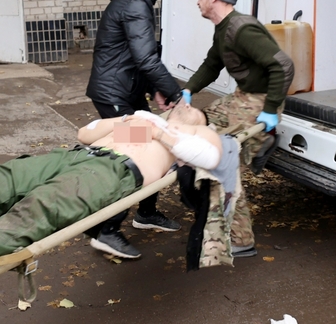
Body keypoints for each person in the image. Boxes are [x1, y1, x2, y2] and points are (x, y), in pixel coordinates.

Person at [0, 104, 230, 257]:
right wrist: (127, 118)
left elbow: (210, 157)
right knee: (8, 177)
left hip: (112, 170)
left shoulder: (191, 134)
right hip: (77, 156)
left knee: (45, 204)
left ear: (200, 123)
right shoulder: (145, 124)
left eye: (195, 110)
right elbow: (85, 134)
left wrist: (162, 134)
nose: (187, 104)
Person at [183, 0, 294, 258]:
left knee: (221, 159)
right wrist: (188, 91)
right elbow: (212, 63)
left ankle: (241, 237)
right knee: (199, 120)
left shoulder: (242, 29)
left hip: (259, 100)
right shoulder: (223, 29)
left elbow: (282, 66)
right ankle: (259, 144)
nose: (198, 0)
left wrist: (270, 111)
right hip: (243, 96)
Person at [85, 0, 186, 259]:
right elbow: (146, 58)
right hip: (114, 96)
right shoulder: (134, 1)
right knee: (131, 154)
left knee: (150, 146)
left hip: (126, 90)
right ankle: (106, 230)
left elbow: (134, 56)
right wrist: (176, 95)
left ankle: (146, 212)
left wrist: (156, 90)